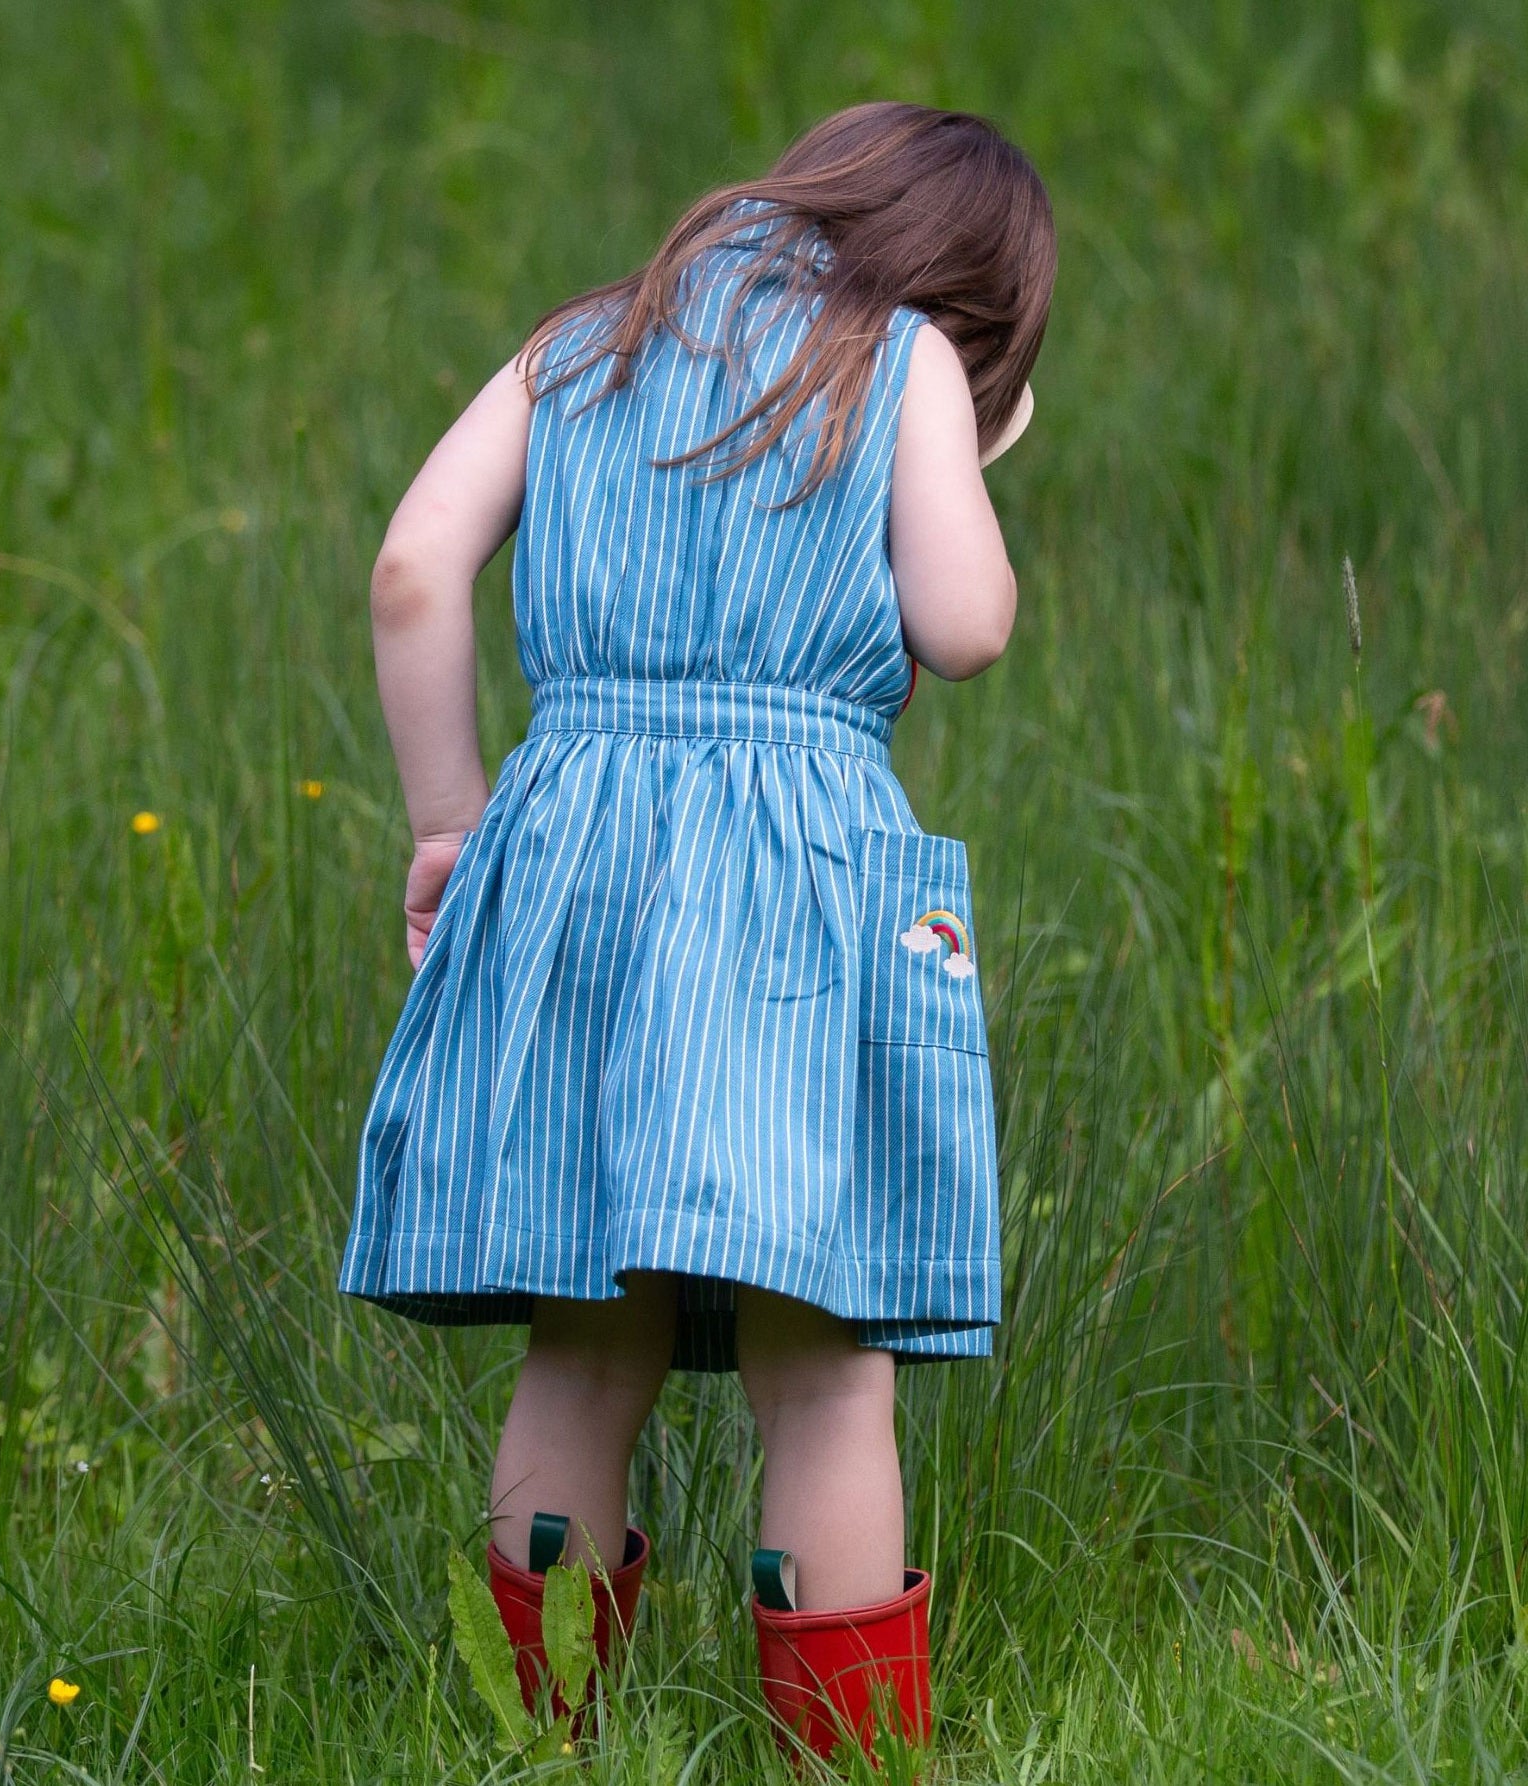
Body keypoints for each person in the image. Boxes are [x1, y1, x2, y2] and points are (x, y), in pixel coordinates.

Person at [339, 99, 1055, 1765]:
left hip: (574, 849)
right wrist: (970, 446)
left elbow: (410, 568)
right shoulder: (906, 361)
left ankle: (533, 1736)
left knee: (588, 1343)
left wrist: (452, 822)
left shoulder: (587, 339)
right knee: (825, 1366)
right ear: (969, 297)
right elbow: (967, 626)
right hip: (805, 884)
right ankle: (846, 1754)